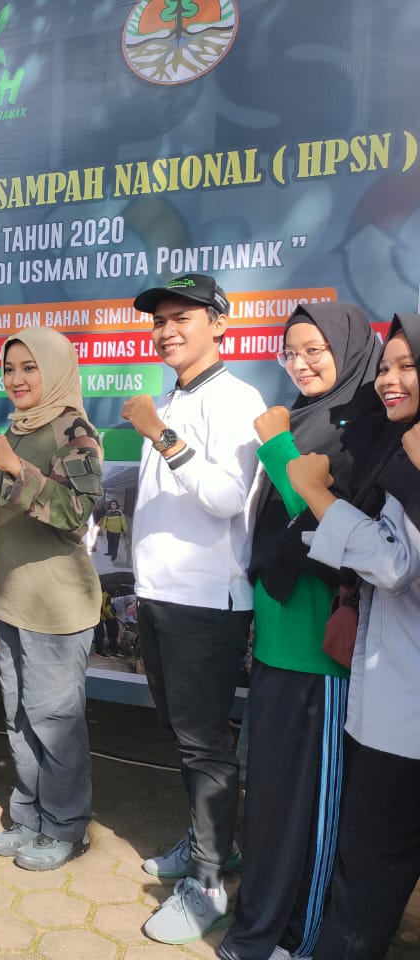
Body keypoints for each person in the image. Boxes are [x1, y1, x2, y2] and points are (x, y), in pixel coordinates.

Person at [219, 304, 395, 960]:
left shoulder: (367, 427)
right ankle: (261, 926)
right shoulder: (302, 415)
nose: (300, 363)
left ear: (348, 348)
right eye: (290, 351)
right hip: (276, 642)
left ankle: (302, 936)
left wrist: (275, 443)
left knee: (313, 810)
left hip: (321, 654)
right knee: (268, 803)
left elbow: (333, 529)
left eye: (314, 349)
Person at [121, 274, 265, 943]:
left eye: (183, 317)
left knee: (205, 743)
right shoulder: (178, 394)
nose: (167, 329)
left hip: (207, 601)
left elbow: (230, 498)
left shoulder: (236, 399)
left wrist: (159, 435)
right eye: (160, 320)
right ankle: (212, 844)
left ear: (219, 323)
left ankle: (207, 884)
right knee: (187, 737)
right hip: (161, 596)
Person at [295, 312, 420, 960]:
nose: (391, 380)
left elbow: (399, 568)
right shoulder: (400, 446)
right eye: (389, 366)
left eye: (409, 367)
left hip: (406, 710)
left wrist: (318, 498)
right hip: (392, 693)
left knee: (369, 865)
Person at [0, 327, 104, 871]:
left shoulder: (74, 429)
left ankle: (66, 827)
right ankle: (29, 816)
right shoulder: (17, 429)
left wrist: (11, 468)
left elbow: (77, 514)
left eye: (30, 367)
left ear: (54, 369)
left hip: (57, 605)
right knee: (19, 719)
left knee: (55, 721)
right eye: (10, 368)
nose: (18, 379)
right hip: (13, 600)